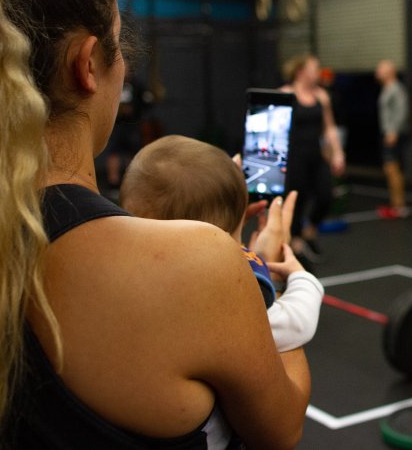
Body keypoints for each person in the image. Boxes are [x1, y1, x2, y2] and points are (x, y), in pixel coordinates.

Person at [0, 0, 310, 448]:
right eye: (118, 46)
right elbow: (282, 428)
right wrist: (265, 275)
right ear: (88, 65)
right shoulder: (201, 265)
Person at [119, 135, 324, 353]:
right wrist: (302, 278)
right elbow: (296, 323)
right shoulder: (221, 298)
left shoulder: (130, 278)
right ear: (221, 236)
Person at [281, 55, 346, 265]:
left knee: (326, 195)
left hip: (316, 156)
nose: (318, 73)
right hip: (294, 158)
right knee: (296, 202)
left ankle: (310, 231)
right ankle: (296, 243)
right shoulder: (286, 94)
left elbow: (329, 128)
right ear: (301, 71)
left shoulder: (321, 96)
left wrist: (337, 152)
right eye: (314, 68)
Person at [374, 60, 411, 219]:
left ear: (390, 71)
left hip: (393, 134)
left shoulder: (396, 88)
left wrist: (393, 131)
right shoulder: (387, 88)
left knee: (392, 168)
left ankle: (399, 205)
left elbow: (402, 111)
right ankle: (395, 204)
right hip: (388, 132)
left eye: (380, 69)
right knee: (390, 168)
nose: (377, 72)